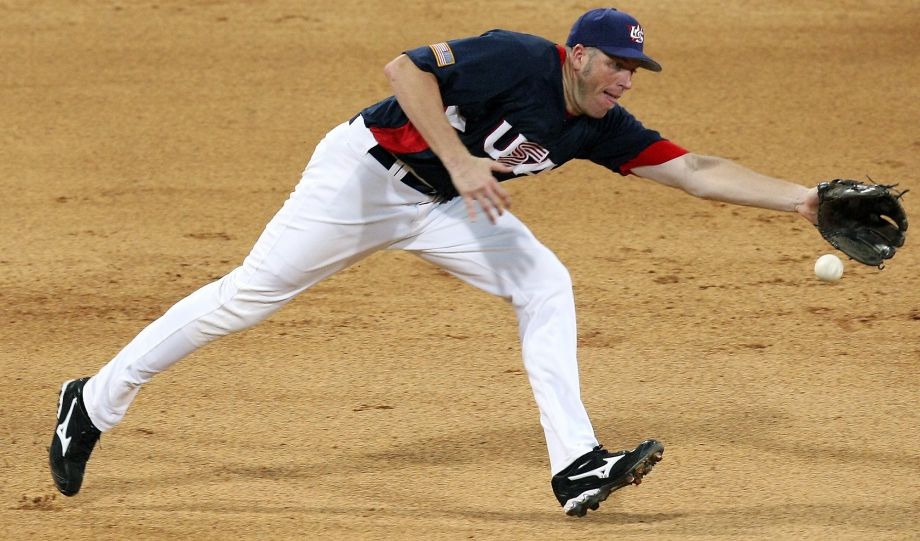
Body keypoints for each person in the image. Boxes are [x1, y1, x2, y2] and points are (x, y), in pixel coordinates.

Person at [49, 7, 820, 517]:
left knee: (545, 284)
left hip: (448, 207)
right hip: (362, 178)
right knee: (247, 296)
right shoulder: (515, 59)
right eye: (614, 65)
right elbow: (403, 70)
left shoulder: (598, 122)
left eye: (633, 72)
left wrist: (802, 198)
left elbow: (695, 170)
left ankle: (577, 465)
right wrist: (459, 160)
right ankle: (92, 400)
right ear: (577, 54)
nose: (623, 81)